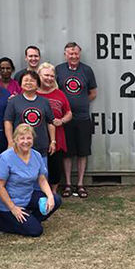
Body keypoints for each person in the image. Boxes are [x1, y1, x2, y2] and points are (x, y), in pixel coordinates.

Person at [0, 124, 61, 237]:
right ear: (15, 140)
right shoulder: (5, 158)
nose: (25, 141)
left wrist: (50, 197)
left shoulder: (36, 155)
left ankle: (28, 220)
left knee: (56, 200)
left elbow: (42, 179)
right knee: (36, 231)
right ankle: (0, 222)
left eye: (29, 138)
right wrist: (13, 208)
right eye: (22, 138)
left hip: (27, 196)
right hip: (10, 203)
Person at [56, 42, 97, 198]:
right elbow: (54, 90)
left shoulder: (87, 70)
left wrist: (81, 101)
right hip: (65, 119)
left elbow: (93, 92)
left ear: (79, 54)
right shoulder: (58, 70)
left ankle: (80, 184)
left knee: (82, 152)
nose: (73, 56)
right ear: (65, 54)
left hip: (83, 118)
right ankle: (67, 184)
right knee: (67, 153)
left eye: (76, 53)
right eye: (70, 54)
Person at [36, 62, 73, 193]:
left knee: (55, 165)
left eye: (52, 76)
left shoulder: (59, 94)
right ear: (39, 75)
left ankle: (53, 192)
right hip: (37, 136)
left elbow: (69, 113)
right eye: (46, 75)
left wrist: (61, 121)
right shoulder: (32, 93)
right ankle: (39, 191)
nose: (49, 78)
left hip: (56, 135)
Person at [5, 70, 56, 159]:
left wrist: (52, 141)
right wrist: (10, 141)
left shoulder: (44, 102)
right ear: (21, 84)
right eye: (26, 80)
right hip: (20, 146)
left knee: (41, 172)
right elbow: (8, 122)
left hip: (41, 146)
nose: (28, 83)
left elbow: (50, 122)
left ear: (38, 84)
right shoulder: (13, 101)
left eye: (32, 80)